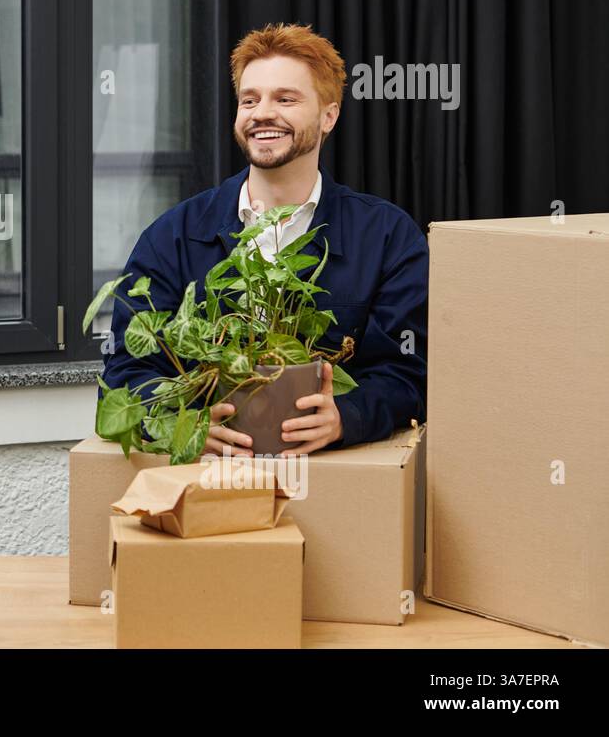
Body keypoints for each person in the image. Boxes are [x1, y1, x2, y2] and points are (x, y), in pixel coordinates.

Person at [102, 23, 428, 454]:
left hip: (337, 483)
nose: (261, 114)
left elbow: (411, 373)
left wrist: (346, 417)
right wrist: (186, 423)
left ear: (329, 115)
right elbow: (126, 374)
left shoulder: (387, 236)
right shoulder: (173, 236)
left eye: (285, 99)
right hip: (208, 486)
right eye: (249, 100)